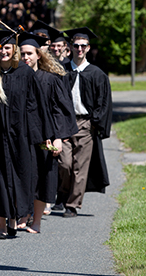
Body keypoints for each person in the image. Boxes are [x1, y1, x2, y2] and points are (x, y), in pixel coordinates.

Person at [0, 30, 43, 239]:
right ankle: (2, 225)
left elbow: (34, 105)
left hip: (20, 137)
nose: (3, 51)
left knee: (20, 177)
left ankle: (16, 219)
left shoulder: (25, 73)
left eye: (7, 47)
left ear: (14, 49)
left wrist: (37, 136)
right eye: (0, 48)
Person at [19, 32, 77, 233]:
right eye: (22, 54)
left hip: (46, 137)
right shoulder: (15, 80)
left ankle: (36, 221)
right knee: (24, 178)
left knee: (42, 180)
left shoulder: (50, 80)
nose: (25, 58)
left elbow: (60, 111)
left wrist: (59, 138)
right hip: (22, 138)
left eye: (29, 54)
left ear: (38, 55)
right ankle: (23, 215)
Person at [59, 27, 112, 218]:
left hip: (85, 124)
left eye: (83, 46)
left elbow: (103, 103)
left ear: (88, 48)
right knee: (64, 164)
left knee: (80, 166)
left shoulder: (97, 74)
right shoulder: (62, 71)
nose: (79, 49)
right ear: (70, 47)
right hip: (64, 123)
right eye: (76, 45)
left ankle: (72, 205)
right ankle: (63, 193)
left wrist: (95, 123)